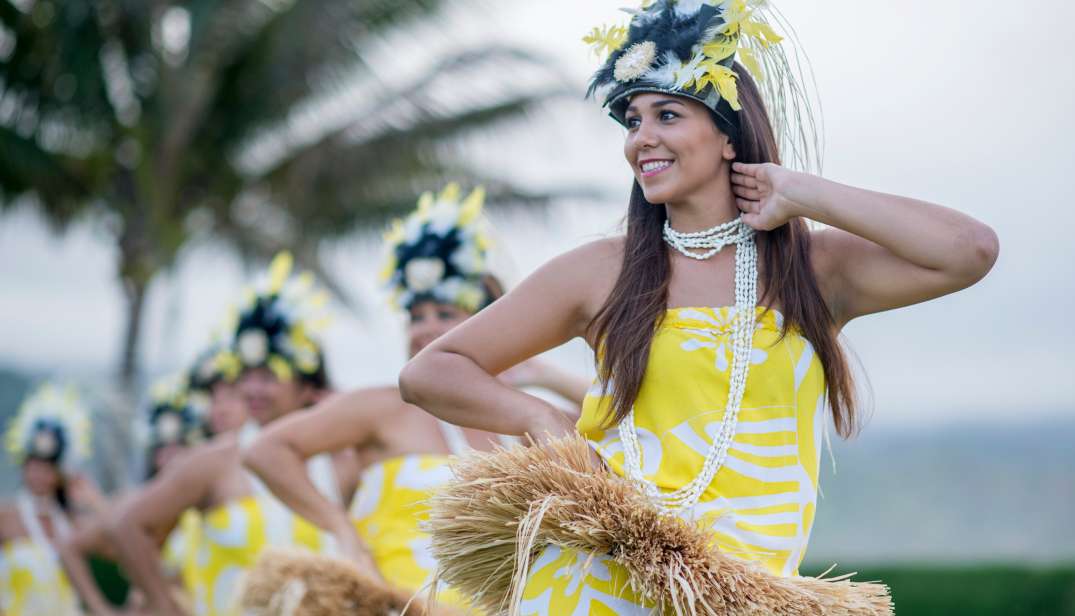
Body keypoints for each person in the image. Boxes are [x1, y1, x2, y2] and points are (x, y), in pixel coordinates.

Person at [398, 1, 1000, 613]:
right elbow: (431, 371)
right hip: (595, 585)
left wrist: (802, 192)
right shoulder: (603, 271)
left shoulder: (811, 271)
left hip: (743, 594)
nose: (642, 139)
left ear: (727, 135)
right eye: (632, 121)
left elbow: (968, 250)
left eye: (667, 115)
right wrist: (549, 426)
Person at [244, 184, 586, 608]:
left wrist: (542, 373)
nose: (422, 328)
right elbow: (266, 451)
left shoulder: (526, 421)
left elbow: (624, 421)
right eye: (414, 316)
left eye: (444, 315)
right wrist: (341, 530)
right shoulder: (382, 407)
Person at [109, 252, 356, 616]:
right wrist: (163, 604)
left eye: (268, 376)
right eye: (246, 375)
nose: (253, 389)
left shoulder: (341, 463)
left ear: (306, 387)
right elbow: (129, 526)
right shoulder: (215, 462)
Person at [58, 365, 241, 616]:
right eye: (161, 449)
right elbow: (71, 547)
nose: (169, 458)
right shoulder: (140, 506)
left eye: (179, 447)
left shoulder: (218, 499)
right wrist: (103, 610)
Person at [0, 383, 103, 615]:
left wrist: (95, 502)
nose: (39, 474)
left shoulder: (72, 520)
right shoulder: (6, 516)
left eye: (47, 467)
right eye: (33, 465)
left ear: (61, 472)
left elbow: (116, 536)